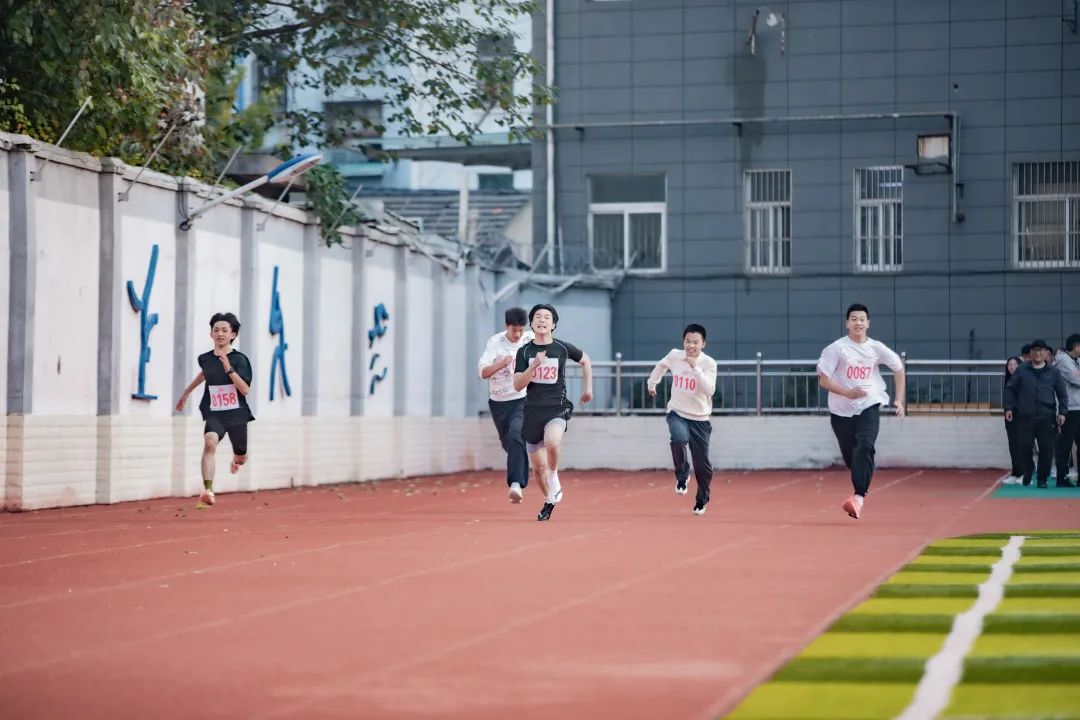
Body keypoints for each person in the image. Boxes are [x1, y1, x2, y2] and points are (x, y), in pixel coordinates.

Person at [816, 303, 906, 520]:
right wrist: (846, 393)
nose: (858, 322)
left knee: (865, 446)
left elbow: (898, 367)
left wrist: (899, 400)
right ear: (847, 323)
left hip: (869, 403)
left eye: (862, 319)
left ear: (868, 323)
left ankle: (858, 498)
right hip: (841, 410)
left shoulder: (876, 348)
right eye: (854, 319)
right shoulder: (836, 349)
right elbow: (823, 380)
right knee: (852, 457)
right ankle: (860, 475)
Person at [512, 304, 593, 521]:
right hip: (532, 411)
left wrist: (588, 388)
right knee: (538, 468)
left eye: (547, 317)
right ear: (531, 323)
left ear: (553, 324)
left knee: (553, 441)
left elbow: (586, 360)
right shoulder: (524, 352)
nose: (542, 320)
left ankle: (554, 474)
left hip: (557, 406)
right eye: (537, 317)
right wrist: (533, 366)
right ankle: (549, 499)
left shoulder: (562, 349)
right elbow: (518, 386)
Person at [176, 313, 254, 506]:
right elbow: (205, 374)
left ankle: (236, 462)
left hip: (236, 414)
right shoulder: (205, 358)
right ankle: (208, 490)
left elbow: (245, 389)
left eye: (224, 330)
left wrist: (229, 368)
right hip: (215, 412)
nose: (220, 333)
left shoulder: (240, 360)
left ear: (233, 335)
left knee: (241, 455)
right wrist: (186, 392)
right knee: (210, 442)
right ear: (211, 333)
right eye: (216, 330)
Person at [646, 324, 718, 515]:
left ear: (703, 344)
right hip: (677, 412)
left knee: (703, 467)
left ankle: (702, 500)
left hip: (700, 420)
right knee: (678, 438)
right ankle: (682, 475)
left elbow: (709, 390)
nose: (691, 346)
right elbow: (661, 366)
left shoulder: (709, 363)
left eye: (695, 342)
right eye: (687, 341)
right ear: (683, 342)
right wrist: (652, 383)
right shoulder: (675, 355)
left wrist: (696, 369)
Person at [478, 307, 533, 503]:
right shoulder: (495, 343)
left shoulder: (529, 339)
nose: (517, 334)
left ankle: (516, 485)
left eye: (520, 330)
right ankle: (520, 459)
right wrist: (501, 364)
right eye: (513, 330)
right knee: (509, 443)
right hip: (499, 403)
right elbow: (483, 373)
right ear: (506, 327)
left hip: (522, 399)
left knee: (517, 434)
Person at [1004, 339, 1067, 488]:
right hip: (1026, 416)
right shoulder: (1022, 370)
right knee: (1024, 446)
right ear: (1030, 353)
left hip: (1047, 417)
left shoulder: (1054, 372)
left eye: (1041, 350)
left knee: (1046, 450)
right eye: (1035, 350)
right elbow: (1010, 389)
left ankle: (1042, 479)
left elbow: (1062, 394)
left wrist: (1062, 412)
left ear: (1046, 353)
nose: (1037, 353)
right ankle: (1029, 468)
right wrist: (1009, 407)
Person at [1054, 334, 1080, 487]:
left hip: (1079, 407)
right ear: (1075, 346)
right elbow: (1076, 379)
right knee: (1065, 444)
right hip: (1069, 408)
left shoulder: (1076, 360)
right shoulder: (1063, 360)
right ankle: (1061, 478)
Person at [1001, 356, 1026, 485]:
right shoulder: (1008, 381)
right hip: (1010, 414)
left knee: (1020, 444)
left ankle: (1024, 474)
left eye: (1015, 364)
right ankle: (1016, 473)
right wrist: (1007, 409)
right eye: (1009, 365)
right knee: (1013, 444)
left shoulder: (1024, 380)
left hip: (1021, 414)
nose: (1012, 367)